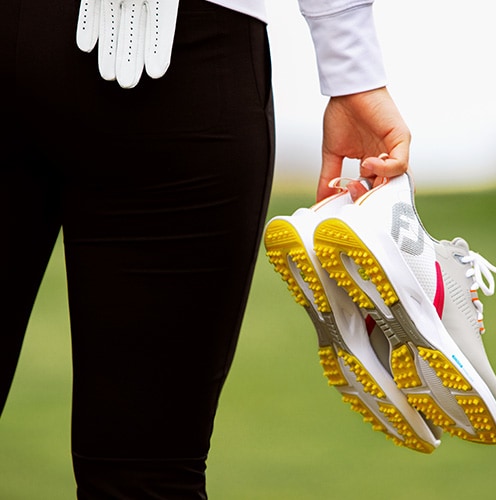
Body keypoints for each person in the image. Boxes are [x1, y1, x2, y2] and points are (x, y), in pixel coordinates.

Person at [1, 0, 410, 497]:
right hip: (184, 60)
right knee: (144, 476)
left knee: (147, 469)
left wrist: (352, 69)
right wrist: (351, 65)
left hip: (175, 59)